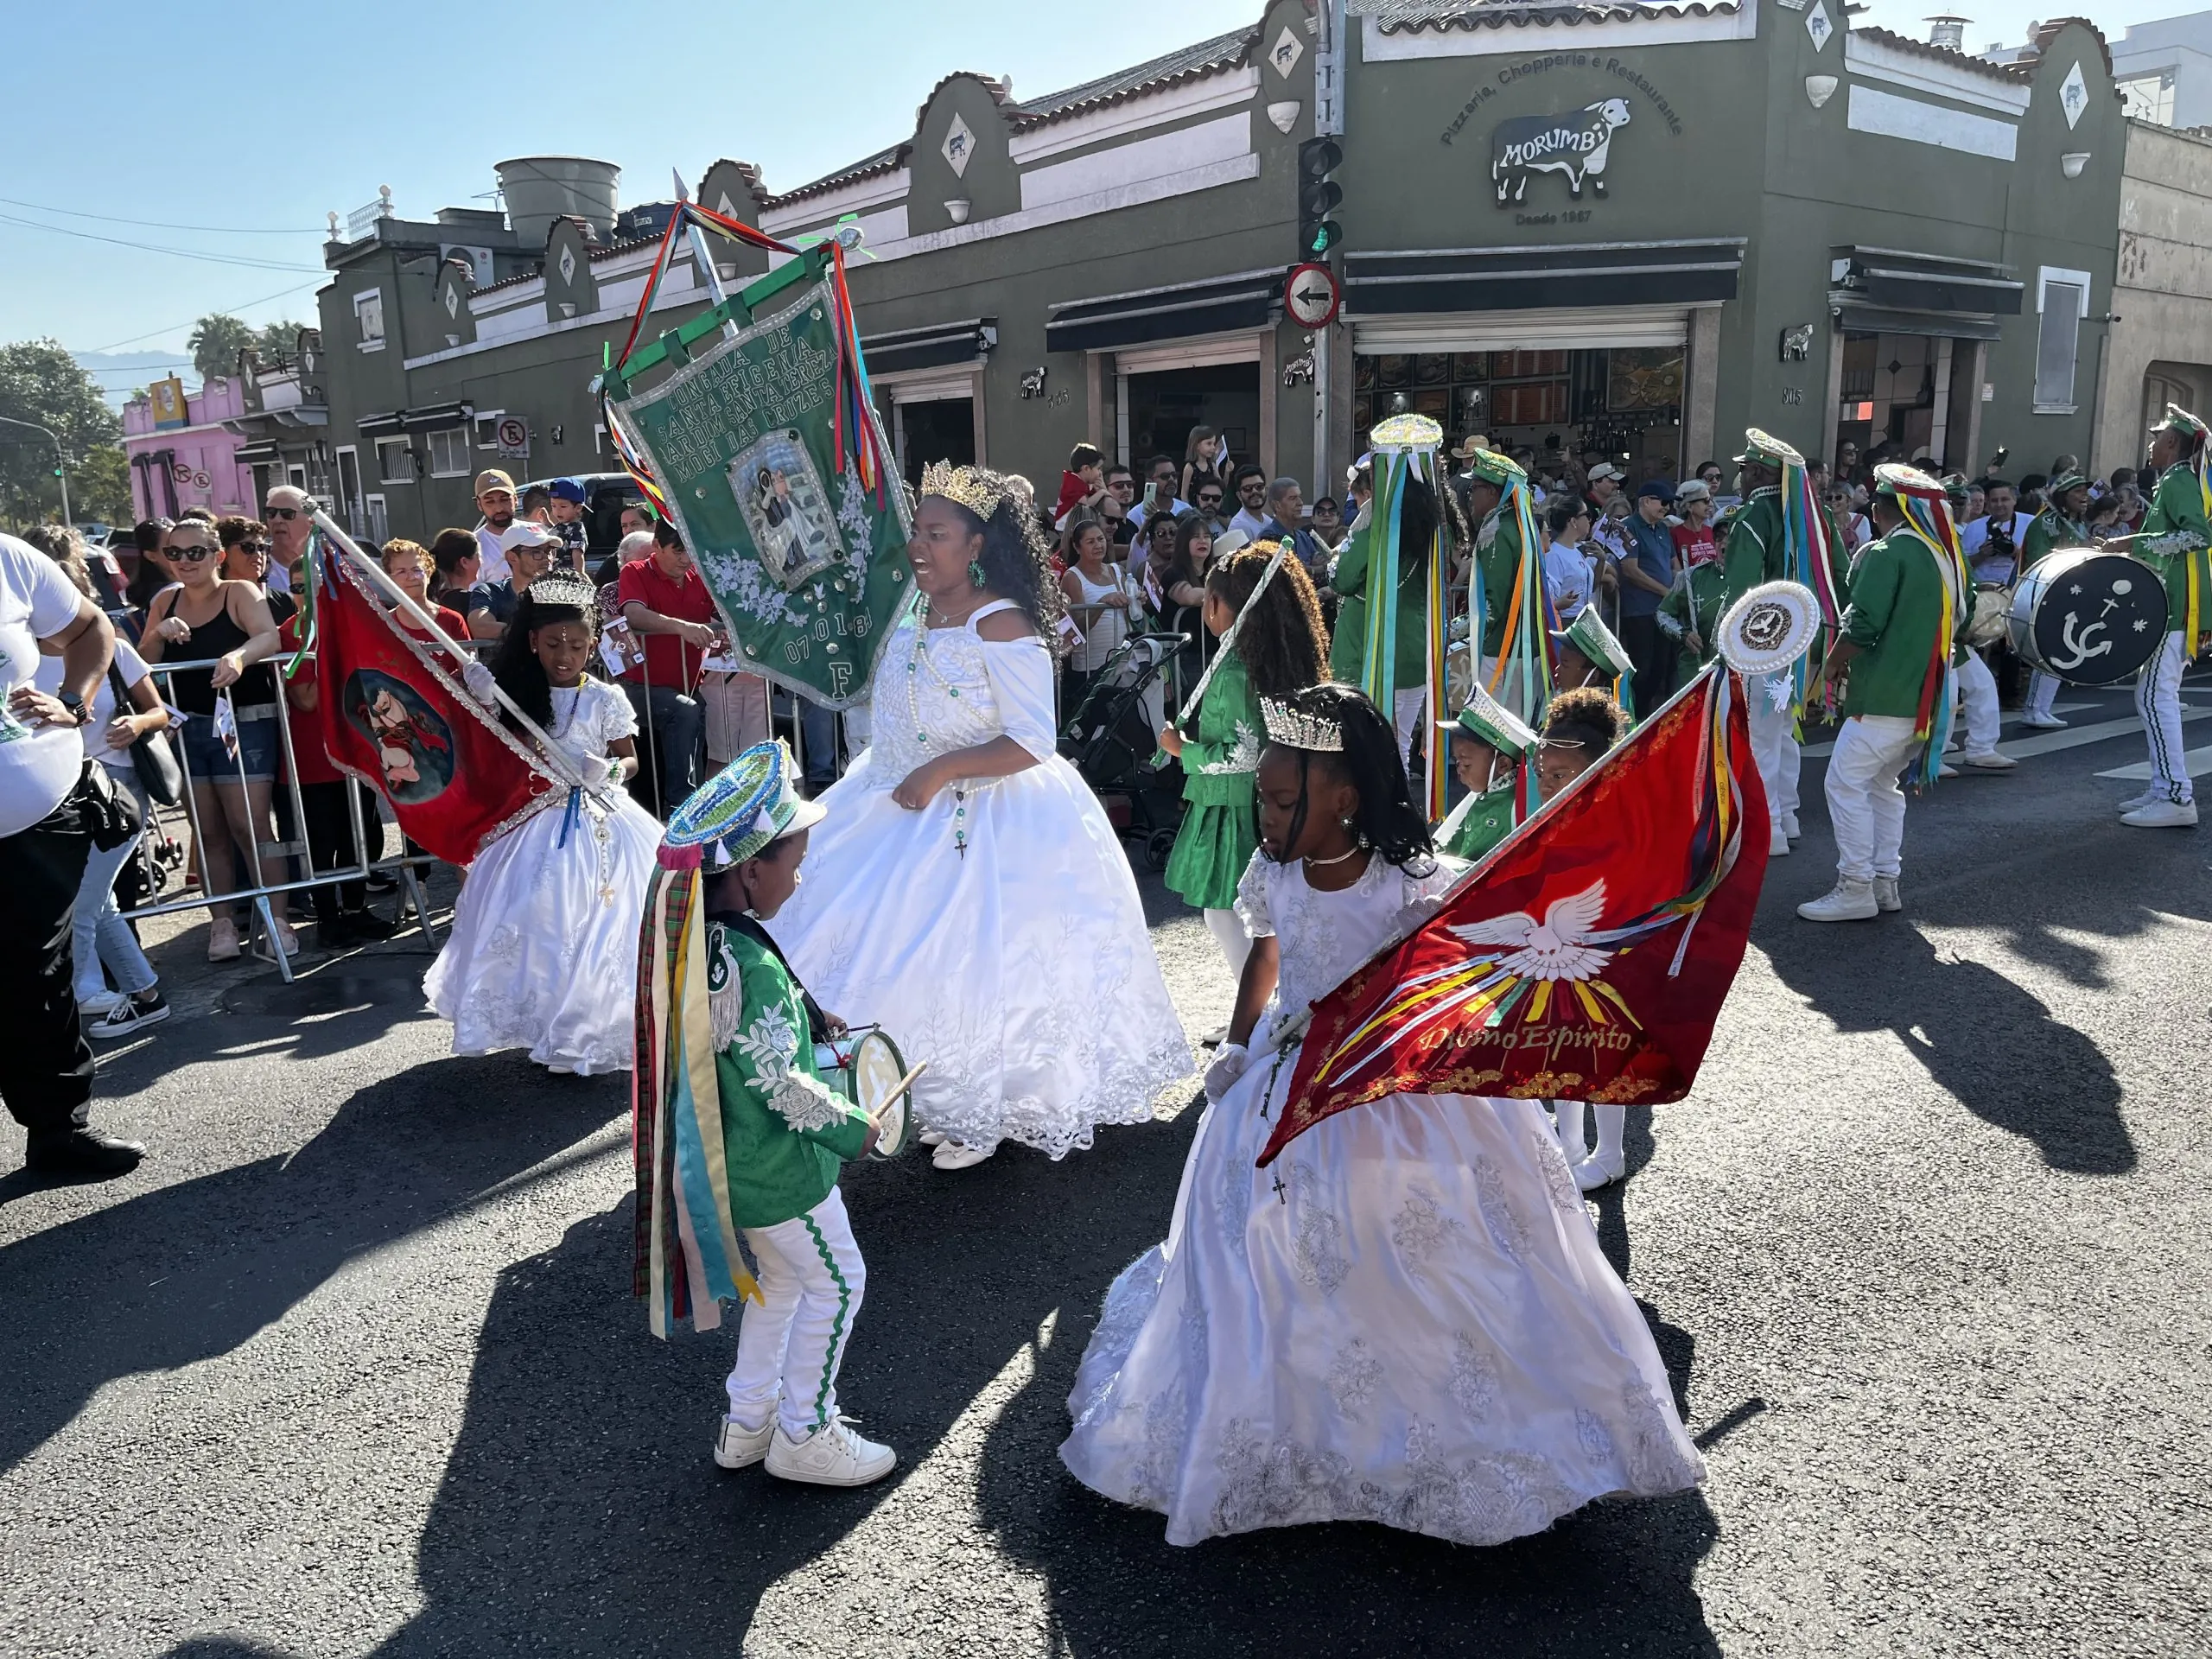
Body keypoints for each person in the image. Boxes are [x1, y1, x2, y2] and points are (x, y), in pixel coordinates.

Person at [1060, 680, 1702, 1546]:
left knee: (1422, 1244)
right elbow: (1268, 952)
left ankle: (1452, 1414)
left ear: (1347, 798)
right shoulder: (1275, 870)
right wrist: (1237, 1045)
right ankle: (1290, 1403)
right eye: (1263, 795)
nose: (1266, 814)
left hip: (1390, 1084)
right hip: (1283, 1080)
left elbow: (1472, 964)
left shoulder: (1412, 882)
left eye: (1284, 799)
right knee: (1256, 1237)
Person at [766, 463, 1192, 1170]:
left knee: (981, 963)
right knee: (899, 959)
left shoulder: (1002, 621)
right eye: (917, 534)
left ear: (977, 546)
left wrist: (939, 770)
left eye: (937, 534)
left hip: (988, 814)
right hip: (894, 804)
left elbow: (1031, 737)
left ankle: (983, 1110)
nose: (920, 548)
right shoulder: (914, 608)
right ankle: (928, 1093)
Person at [632, 740, 897, 1485]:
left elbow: (741, 1039)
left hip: (730, 1167)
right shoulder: (748, 963)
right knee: (840, 1282)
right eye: (795, 860)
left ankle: (747, 1424)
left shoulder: (703, 942)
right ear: (751, 870)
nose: (800, 875)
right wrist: (858, 1129)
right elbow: (781, 1085)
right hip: (781, 1174)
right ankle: (806, 1434)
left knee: (781, 1287)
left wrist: (813, 1020)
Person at [426, 576, 663, 1071]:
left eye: (576, 646)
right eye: (553, 644)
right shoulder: (518, 695)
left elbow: (630, 759)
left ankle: (587, 1022)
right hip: (534, 818)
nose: (564, 656)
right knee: (538, 921)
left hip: (599, 816)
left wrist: (612, 770)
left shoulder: (605, 698)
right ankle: (545, 1016)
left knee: (604, 922)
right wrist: (485, 700)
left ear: (591, 646)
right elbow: (490, 751)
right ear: (533, 642)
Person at [1, 531, 148, 1175]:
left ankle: (58, 1132)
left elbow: (92, 628)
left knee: (40, 975)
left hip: (41, 814)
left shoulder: (8, 557)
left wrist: (73, 703)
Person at [1798, 467, 1966, 922]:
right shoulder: (1943, 555)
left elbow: (1864, 624)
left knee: (1844, 783)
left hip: (1886, 695)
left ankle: (1856, 886)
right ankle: (1884, 882)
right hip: (1928, 697)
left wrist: (1832, 662)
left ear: (1878, 511)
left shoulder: (1889, 551)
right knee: (1880, 785)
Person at [1158, 543, 1330, 978]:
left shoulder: (1236, 670)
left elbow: (1244, 754)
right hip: (1242, 801)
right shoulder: (1253, 658)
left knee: (1230, 913)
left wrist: (1184, 751)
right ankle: (1258, 1007)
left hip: (1235, 808)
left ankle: (1251, 1011)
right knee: (1250, 913)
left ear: (1216, 604)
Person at [29, 538, 172, 1037]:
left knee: (82, 902)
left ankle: (74, 1003)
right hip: (60, 794)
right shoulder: (21, 659)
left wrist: (136, 726)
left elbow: (160, 713)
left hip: (120, 790)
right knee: (96, 900)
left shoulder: (114, 648)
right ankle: (146, 996)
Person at [137, 516, 294, 962]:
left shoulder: (238, 592)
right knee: (207, 831)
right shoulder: (165, 600)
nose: (184, 561)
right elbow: (142, 661)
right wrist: (158, 634)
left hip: (244, 723)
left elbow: (268, 635)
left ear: (217, 556)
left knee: (251, 825)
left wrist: (239, 656)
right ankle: (222, 924)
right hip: (189, 728)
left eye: (195, 552)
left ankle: (278, 921)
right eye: (174, 553)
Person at [1531, 686, 1636, 1188]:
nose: (1547, 786)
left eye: (1559, 776)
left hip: (1603, 956)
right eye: (1542, 776)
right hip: (1557, 956)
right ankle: (1570, 1143)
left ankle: (1611, 1151)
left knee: (1602, 1049)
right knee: (1560, 1046)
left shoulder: (1614, 821)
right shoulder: (1549, 818)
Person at [2120, 405, 2212, 828]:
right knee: (2153, 698)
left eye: (2157, 437)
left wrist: (2131, 545)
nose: (2151, 443)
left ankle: (2176, 795)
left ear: (2172, 443)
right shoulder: (2173, 480)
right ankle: (2163, 788)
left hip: (2174, 609)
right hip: (2169, 606)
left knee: (2157, 700)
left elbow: (2197, 534)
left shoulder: (2178, 481)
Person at [1329, 469, 1440, 761]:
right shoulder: (1434, 528)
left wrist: (1336, 558)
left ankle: (1375, 808)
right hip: (1414, 653)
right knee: (1399, 747)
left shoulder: (1373, 525)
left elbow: (1342, 578)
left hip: (1367, 654)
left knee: (1362, 751)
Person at [617, 516, 717, 817]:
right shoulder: (634, 571)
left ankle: (695, 807)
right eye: (678, 551)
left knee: (694, 711)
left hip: (687, 686)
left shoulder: (697, 576)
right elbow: (634, 614)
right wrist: (682, 627)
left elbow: (717, 616)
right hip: (639, 688)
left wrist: (719, 632)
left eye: (690, 552)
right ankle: (682, 807)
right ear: (656, 546)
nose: (686, 559)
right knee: (686, 710)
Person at [2017, 471, 2092, 730]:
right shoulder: (2044, 523)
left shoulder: (2078, 524)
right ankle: (2034, 708)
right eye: (2077, 493)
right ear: (2062, 497)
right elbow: (2038, 560)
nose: (2084, 497)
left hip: (2073, 594)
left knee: (2064, 651)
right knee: (2050, 651)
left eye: (2085, 492)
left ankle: (2043, 708)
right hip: (2050, 594)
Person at [1433, 679, 1539, 861]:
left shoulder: (1508, 808)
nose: (1459, 770)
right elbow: (1454, 846)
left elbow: (1469, 865)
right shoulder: (1487, 795)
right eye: (1457, 762)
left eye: (1466, 764)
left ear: (1503, 765)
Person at [1058, 515, 1140, 709]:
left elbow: (1128, 617)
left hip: (1122, 662)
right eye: (1090, 541)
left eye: (1101, 539)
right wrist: (1102, 603)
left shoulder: (1116, 570)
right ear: (1078, 548)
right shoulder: (1072, 577)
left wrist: (1135, 602)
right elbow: (1077, 628)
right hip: (1090, 667)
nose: (1098, 545)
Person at [1613, 481, 1678, 714]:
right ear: (1645, 501)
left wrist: (1678, 590)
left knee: (1662, 668)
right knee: (1643, 668)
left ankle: (1644, 716)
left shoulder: (1662, 529)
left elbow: (1674, 564)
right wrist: (1666, 592)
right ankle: (1632, 716)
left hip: (1664, 609)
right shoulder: (1627, 527)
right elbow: (1630, 570)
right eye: (1663, 502)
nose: (1667, 507)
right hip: (1639, 609)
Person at [1541, 497, 1595, 622]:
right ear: (1573, 521)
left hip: (1581, 620)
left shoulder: (1576, 551)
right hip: (1564, 622)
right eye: (1586, 515)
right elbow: (1549, 597)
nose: (1589, 520)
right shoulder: (1554, 555)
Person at [473, 469, 518, 585]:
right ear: (479, 504)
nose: (499, 509)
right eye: (490, 502)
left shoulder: (537, 534)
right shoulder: (473, 547)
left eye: (504, 500)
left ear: (516, 499)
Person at [1127, 455, 1191, 536]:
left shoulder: (1186, 509)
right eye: (1165, 476)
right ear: (1149, 481)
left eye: (1174, 475)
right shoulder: (1135, 515)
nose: (1171, 479)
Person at [1053, 443, 1109, 531]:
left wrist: (1101, 488)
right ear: (1086, 469)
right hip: (1066, 526)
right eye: (1098, 469)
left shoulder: (1083, 483)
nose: (1100, 473)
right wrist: (1102, 492)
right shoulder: (1073, 482)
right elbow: (1086, 504)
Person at [1670, 479, 1718, 569]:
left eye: (1710, 499)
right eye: (1706, 500)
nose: (1711, 504)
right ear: (1689, 506)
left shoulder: (1710, 531)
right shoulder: (1675, 534)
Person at [545, 477, 590, 572]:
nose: (557, 510)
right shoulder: (561, 525)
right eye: (553, 506)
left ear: (578, 508)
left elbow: (577, 555)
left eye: (563, 506)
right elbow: (558, 534)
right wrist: (547, 523)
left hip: (567, 577)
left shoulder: (576, 530)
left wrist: (580, 575)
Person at [1179, 425, 1226, 508]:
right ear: (1197, 445)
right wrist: (1188, 511)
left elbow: (1221, 486)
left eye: (1214, 444)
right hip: (1194, 509)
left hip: (1211, 507)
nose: (1213, 447)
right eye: (1209, 444)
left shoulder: (1212, 466)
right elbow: (1184, 494)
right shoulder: (1190, 468)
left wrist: (1227, 472)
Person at [1224, 464, 1273, 543]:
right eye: (1248, 488)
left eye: (1259, 486)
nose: (1254, 491)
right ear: (1239, 495)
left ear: (1266, 490)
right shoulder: (1238, 526)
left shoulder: (1269, 521)